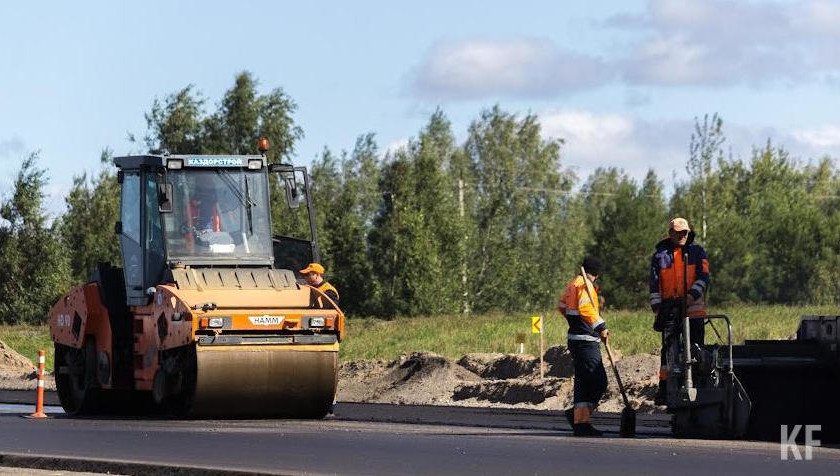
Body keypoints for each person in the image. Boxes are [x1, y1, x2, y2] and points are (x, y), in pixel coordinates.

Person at [649, 217, 710, 405]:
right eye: (679, 233)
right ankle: (665, 386)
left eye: (685, 233)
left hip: (694, 311)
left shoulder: (697, 252)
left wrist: (691, 296)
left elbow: (704, 277)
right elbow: (654, 284)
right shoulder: (660, 256)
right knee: (669, 350)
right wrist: (659, 308)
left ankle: (698, 384)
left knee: (696, 348)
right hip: (669, 310)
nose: (683, 236)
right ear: (671, 233)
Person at [557, 256, 609, 437]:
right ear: (596, 274)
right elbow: (586, 308)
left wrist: (574, 322)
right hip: (586, 340)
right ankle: (579, 419)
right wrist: (600, 326)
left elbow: (562, 306)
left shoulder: (574, 284)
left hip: (577, 339)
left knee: (583, 381)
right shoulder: (583, 286)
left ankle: (580, 422)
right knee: (599, 381)